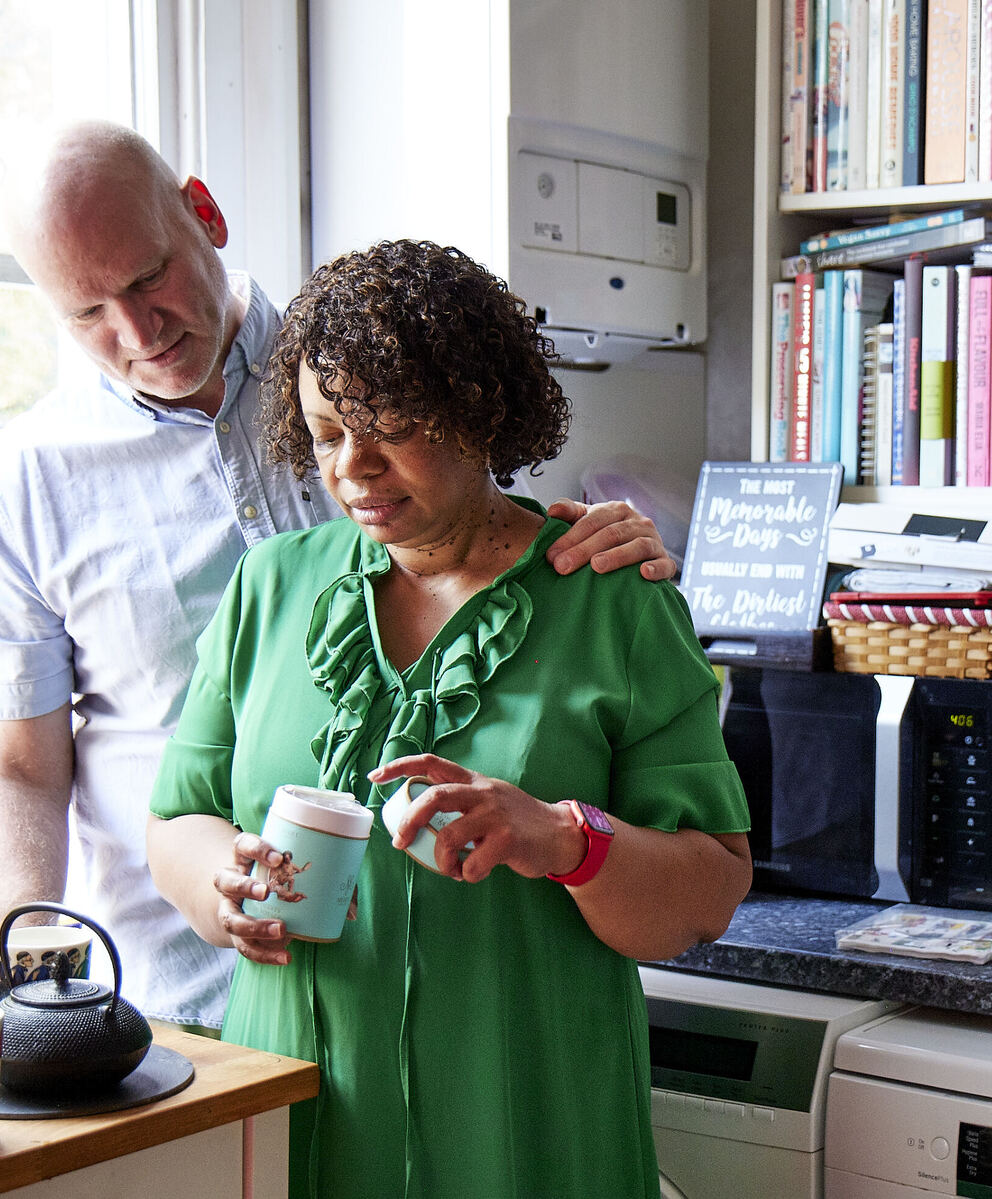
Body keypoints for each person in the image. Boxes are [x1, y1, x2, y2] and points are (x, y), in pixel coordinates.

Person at [0, 120, 679, 1031]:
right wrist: (24, 958)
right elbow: (20, 765)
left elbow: (493, 549)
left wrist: (604, 541)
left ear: (204, 214)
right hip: (168, 1001)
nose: (137, 330)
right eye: (87, 313)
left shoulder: (364, 367)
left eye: (147, 278)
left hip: (453, 989)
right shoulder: (29, 479)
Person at [147, 239, 752, 1197]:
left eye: (393, 427)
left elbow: (710, 890)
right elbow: (176, 819)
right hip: (300, 1097)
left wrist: (559, 838)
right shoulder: (271, 586)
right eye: (326, 431)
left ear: (480, 408)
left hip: (526, 1113)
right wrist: (222, 884)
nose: (354, 468)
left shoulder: (611, 599)